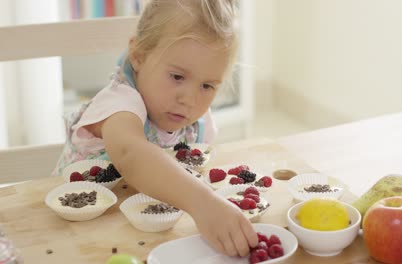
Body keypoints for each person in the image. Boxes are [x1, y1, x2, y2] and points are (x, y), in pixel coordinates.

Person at [53, 0, 258, 257]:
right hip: (74, 239)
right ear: (138, 57)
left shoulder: (198, 119)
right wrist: (203, 203)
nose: (190, 99)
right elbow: (130, 153)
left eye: (207, 86)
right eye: (177, 77)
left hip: (142, 239)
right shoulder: (119, 102)